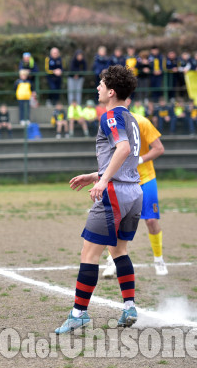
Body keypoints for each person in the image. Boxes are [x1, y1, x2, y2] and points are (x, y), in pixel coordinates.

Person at [55, 64, 142, 334]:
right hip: (134, 192)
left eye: (102, 84)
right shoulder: (132, 118)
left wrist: (103, 181)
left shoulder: (111, 116)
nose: (97, 88)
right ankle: (129, 306)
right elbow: (127, 156)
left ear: (112, 91)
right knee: (119, 251)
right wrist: (96, 175)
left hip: (114, 193)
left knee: (89, 253)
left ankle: (79, 313)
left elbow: (123, 148)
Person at [102, 97, 167, 279]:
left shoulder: (142, 122)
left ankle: (158, 258)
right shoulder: (110, 123)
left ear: (128, 101)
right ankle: (111, 261)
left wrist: (139, 159)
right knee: (116, 222)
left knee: (151, 221)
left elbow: (159, 148)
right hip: (122, 180)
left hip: (145, 178)